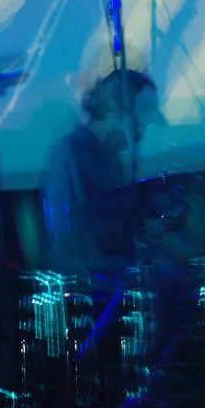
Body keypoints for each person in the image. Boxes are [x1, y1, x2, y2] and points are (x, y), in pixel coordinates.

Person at [41, 67, 164, 274]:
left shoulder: (110, 155)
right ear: (116, 108)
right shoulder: (69, 151)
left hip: (113, 271)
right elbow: (75, 232)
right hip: (89, 281)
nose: (144, 127)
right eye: (143, 117)